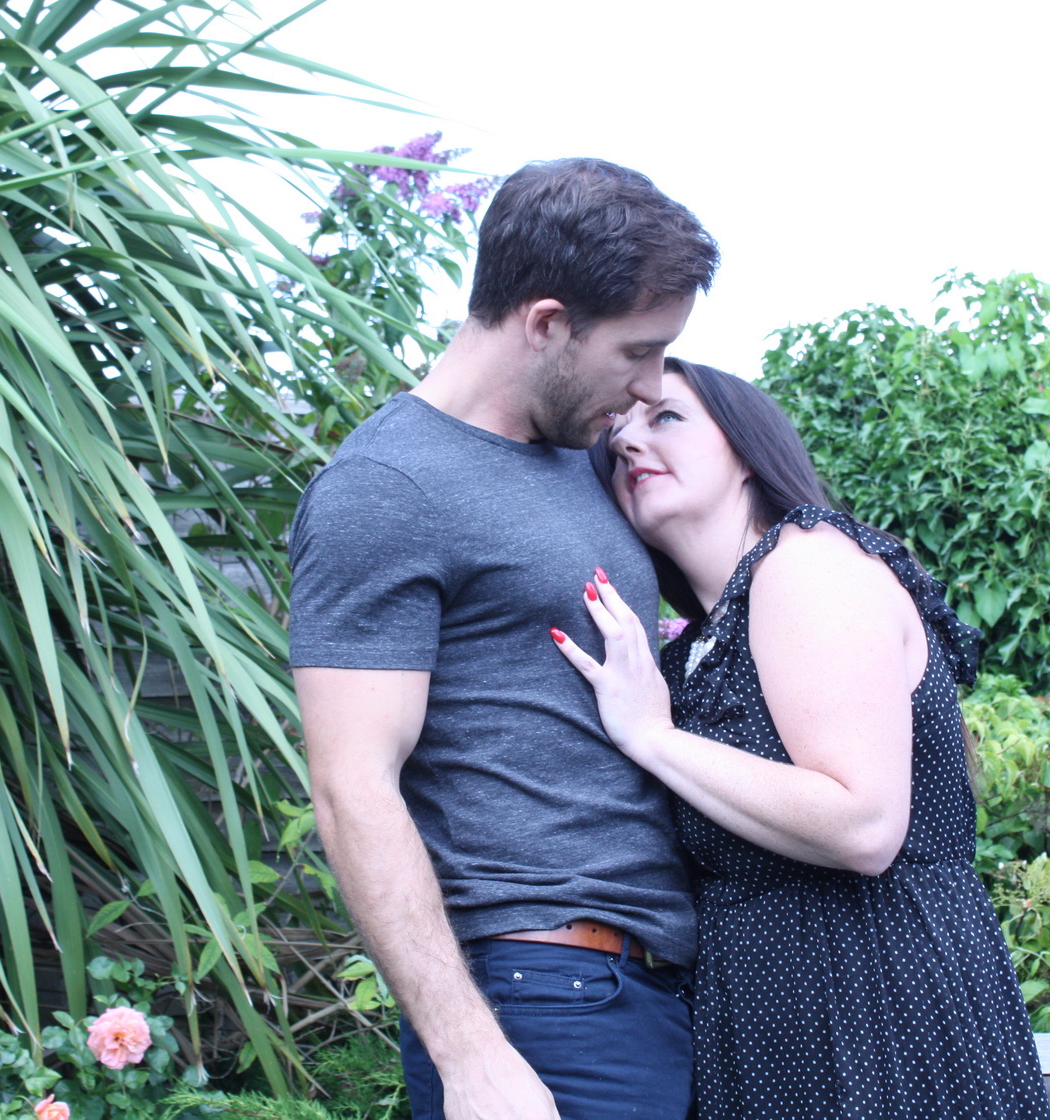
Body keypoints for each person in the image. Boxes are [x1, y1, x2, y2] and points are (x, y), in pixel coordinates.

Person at [289, 159, 719, 1120]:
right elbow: (351, 786)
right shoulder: (386, 488)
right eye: (638, 351)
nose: (649, 385)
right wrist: (471, 1055)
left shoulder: (577, 460)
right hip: (541, 1001)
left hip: (642, 989)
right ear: (547, 323)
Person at [553, 358, 1048, 1120]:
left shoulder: (807, 562)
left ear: (747, 451)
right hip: (770, 1026)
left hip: (878, 1006)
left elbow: (864, 823)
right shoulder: (699, 646)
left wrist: (651, 736)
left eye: (666, 417)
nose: (626, 442)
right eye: (616, 435)